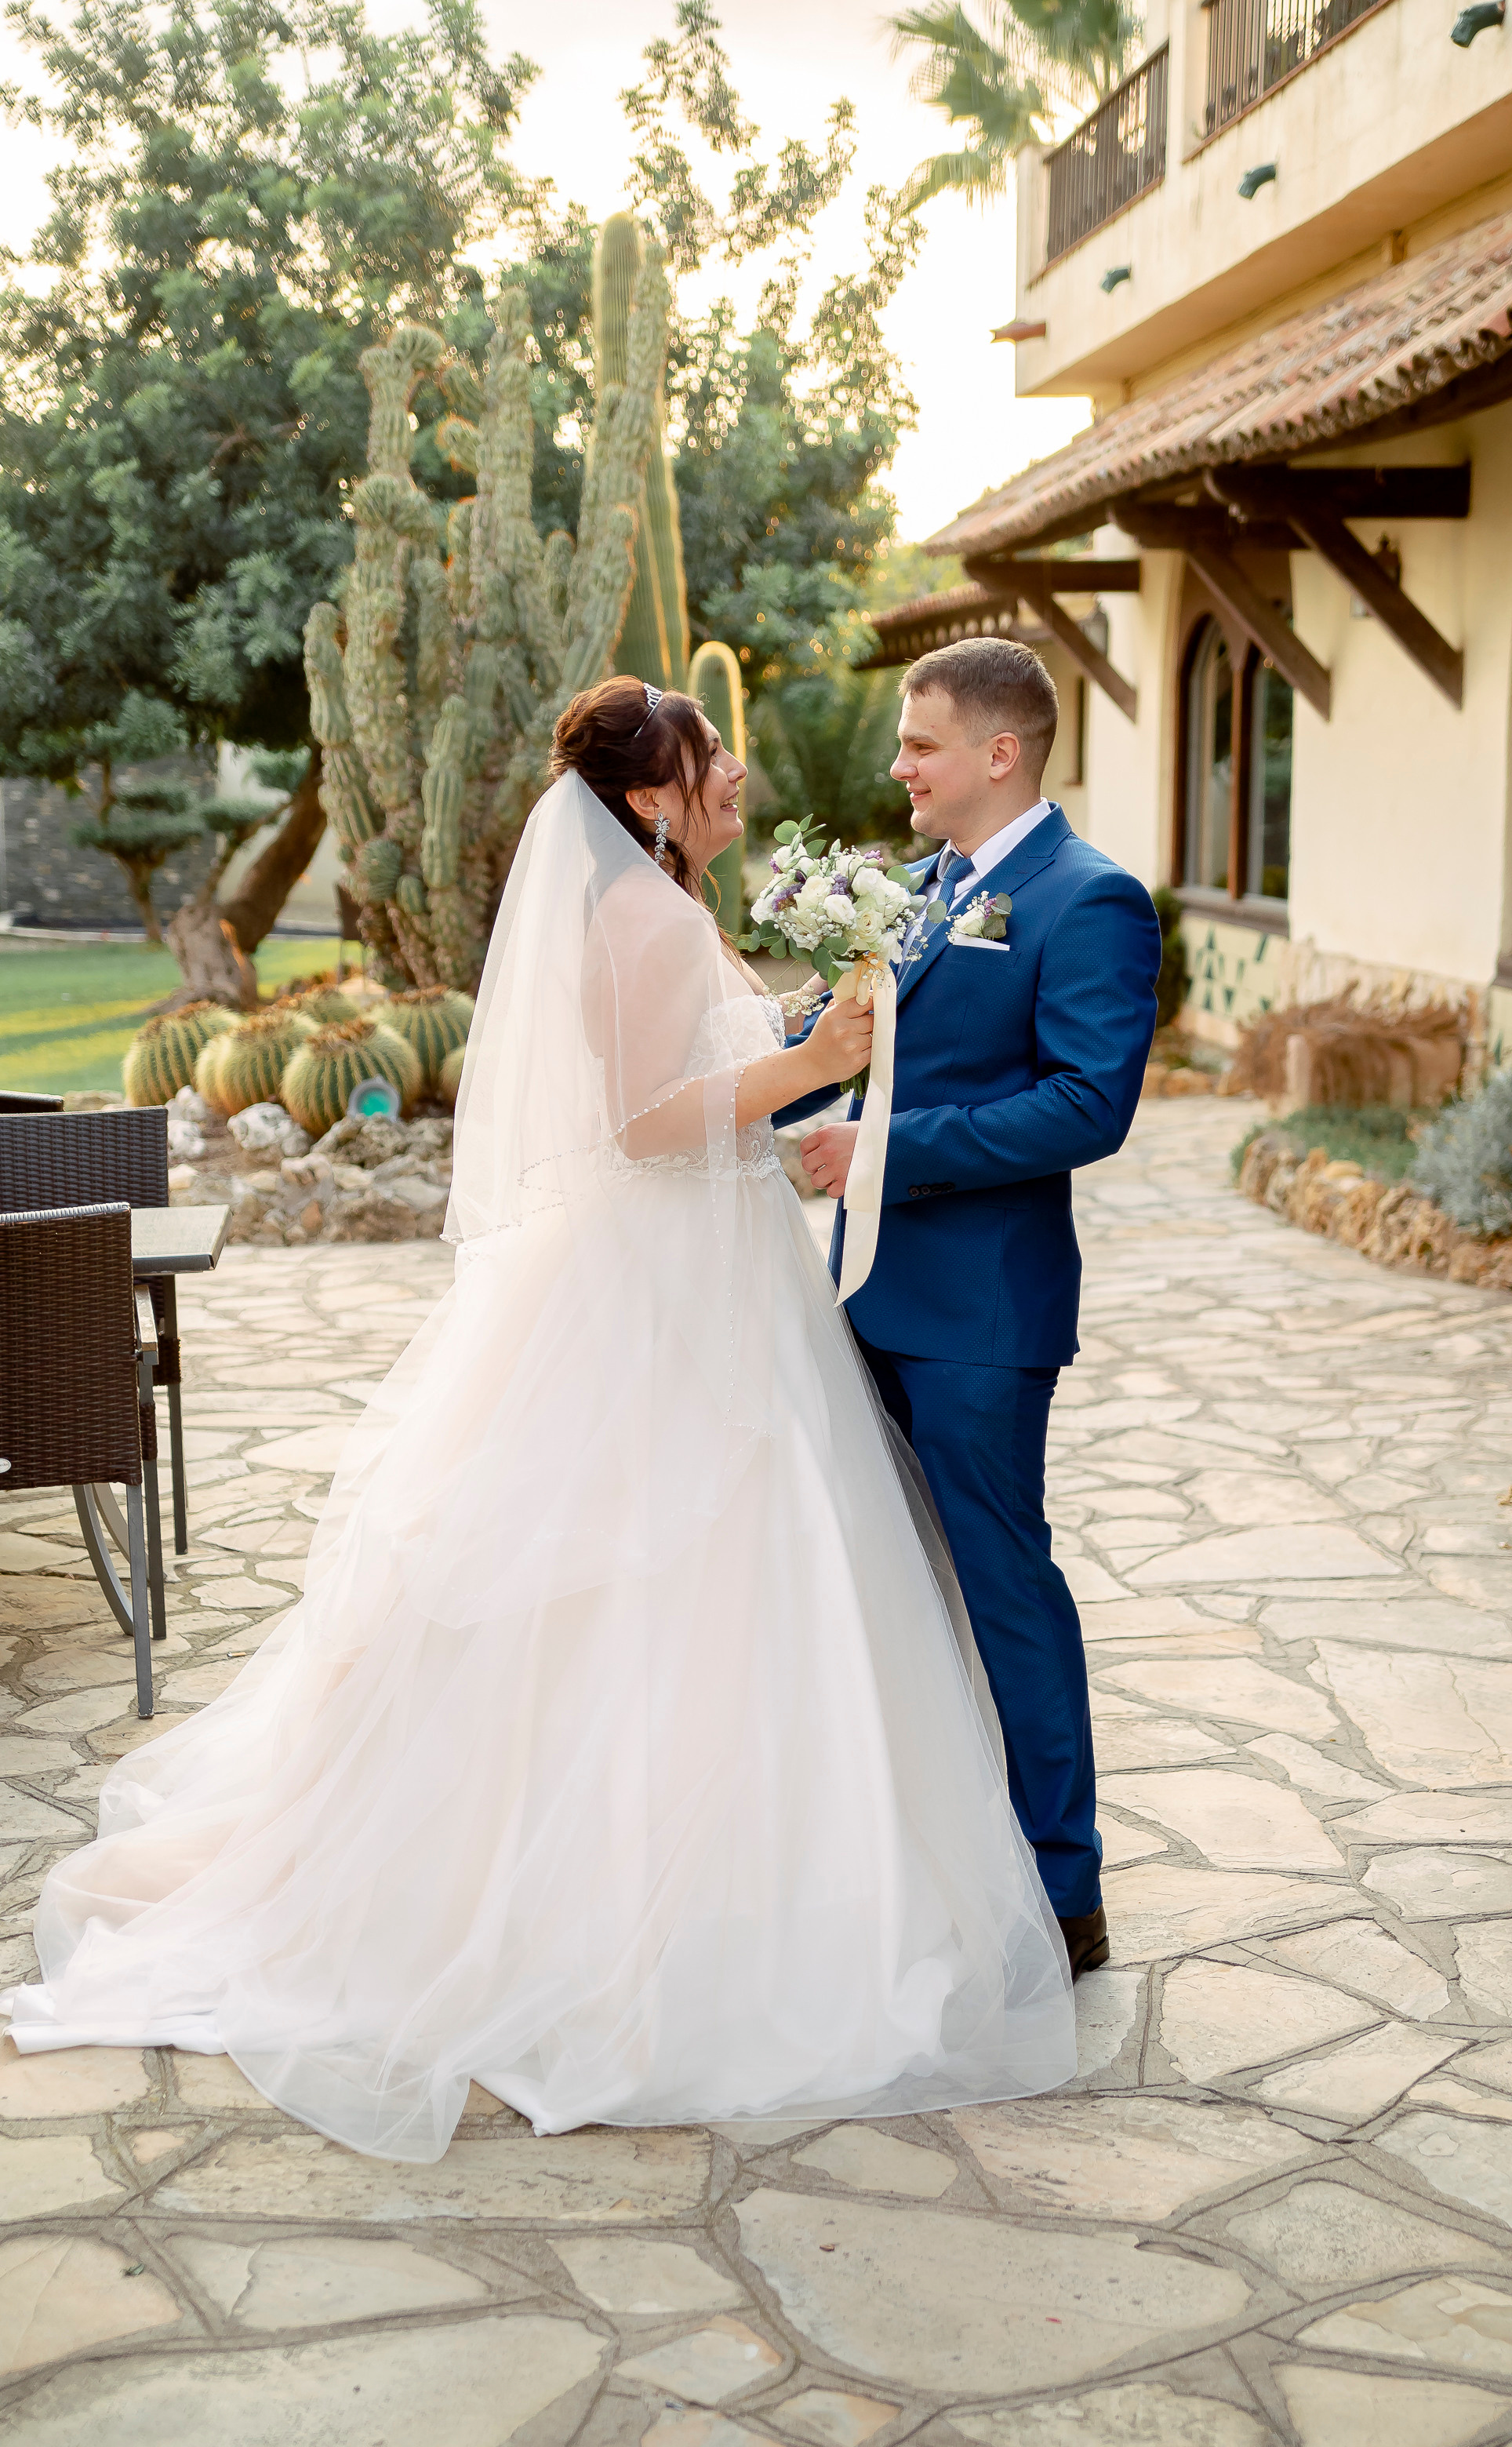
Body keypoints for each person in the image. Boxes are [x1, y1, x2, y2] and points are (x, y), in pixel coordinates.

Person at [2, 674, 1076, 2163]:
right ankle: (622, 1912)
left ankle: (720, 1877)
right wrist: (816, 1064)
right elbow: (643, 1120)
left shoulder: (657, 908)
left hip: (711, 1270)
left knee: (728, 1582)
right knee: (652, 1574)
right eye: (708, 757)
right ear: (650, 799)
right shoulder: (636, 915)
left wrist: (797, 1023)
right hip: (662, 1285)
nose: (736, 771)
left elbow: (690, 1061)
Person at [784, 638, 1161, 1980]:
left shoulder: (1090, 899)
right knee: (878, 1592)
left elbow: (1086, 1105)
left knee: (1006, 1590)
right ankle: (923, 1862)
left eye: (920, 745)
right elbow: (854, 1049)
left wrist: (888, 1150)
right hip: (864, 1292)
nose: (899, 767)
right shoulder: (924, 888)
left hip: (980, 1319)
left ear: (1000, 753)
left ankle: (1065, 1894)